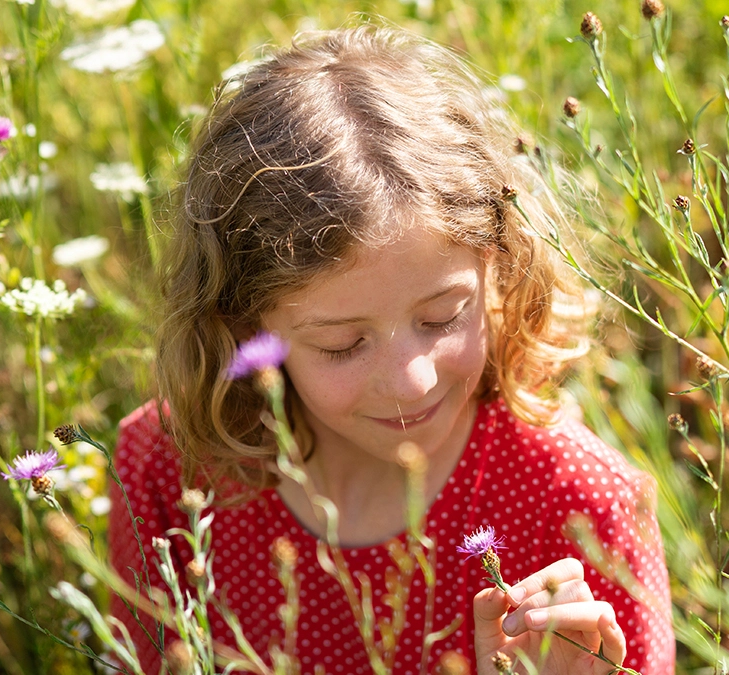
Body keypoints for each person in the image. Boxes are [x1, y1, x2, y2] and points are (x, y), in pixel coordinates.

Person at [108, 24, 674, 675]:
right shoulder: (168, 471)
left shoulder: (581, 506)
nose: (410, 380)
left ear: (500, 266)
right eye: (343, 344)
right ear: (243, 327)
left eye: (441, 318)